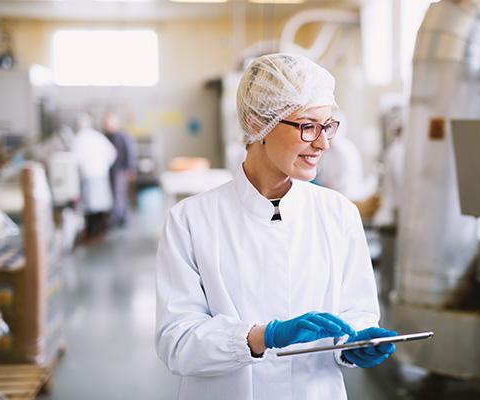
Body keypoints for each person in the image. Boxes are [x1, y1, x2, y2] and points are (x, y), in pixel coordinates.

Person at [155, 53, 396, 400]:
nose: (323, 142)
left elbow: (356, 313)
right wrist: (261, 337)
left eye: (328, 125)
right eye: (307, 126)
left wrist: (355, 343)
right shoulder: (191, 220)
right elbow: (176, 342)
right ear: (256, 125)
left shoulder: (338, 214)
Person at [71, 113, 117, 241]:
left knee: (90, 207)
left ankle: (92, 234)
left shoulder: (79, 138)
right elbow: (112, 153)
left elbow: (75, 159)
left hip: (88, 175)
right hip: (101, 173)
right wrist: (105, 165)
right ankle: (99, 233)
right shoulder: (97, 136)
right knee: (101, 205)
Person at [101, 111, 137, 227]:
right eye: (106, 123)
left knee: (119, 194)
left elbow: (130, 153)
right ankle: (118, 216)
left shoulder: (123, 137)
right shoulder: (105, 137)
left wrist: (130, 169)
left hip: (121, 170)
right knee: (114, 195)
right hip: (110, 170)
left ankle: (120, 218)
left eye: (109, 123)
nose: (107, 125)